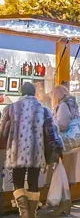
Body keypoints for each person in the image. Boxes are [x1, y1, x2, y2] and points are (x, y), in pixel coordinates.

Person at [0, 83, 46, 218]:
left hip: (17, 152)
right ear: (34, 93)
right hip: (36, 152)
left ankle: (24, 213)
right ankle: (32, 214)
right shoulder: (42, 109)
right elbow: (50, 131)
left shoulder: (11, 109)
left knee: (18, 182)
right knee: (33, 182)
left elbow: (3, 131)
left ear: (21, 93)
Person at [47, 85, 80, 216]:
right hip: (72, 144)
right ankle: (66, 204)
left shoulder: (63, 106)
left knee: (62, 175)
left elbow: (62, 124)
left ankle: (63, 204)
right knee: (67, 174)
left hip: (65, 145)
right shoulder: (73, 104)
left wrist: (52, 122)